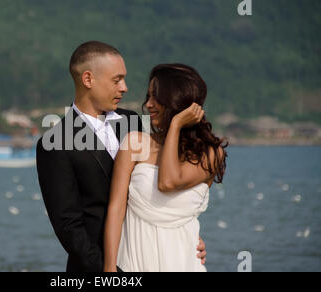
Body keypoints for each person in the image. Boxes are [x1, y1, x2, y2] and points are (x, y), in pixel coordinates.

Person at [36, 42, 207, 272]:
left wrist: (184, 236)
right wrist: (112, 271)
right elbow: (69, 226)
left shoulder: (136, 122)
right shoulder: (55, 143)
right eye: (117, 80)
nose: (125, 87)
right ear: (88, 79)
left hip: (153, 257)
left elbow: (163, 182)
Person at [104, 64, 228, 272]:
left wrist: (176, 125)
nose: (149, 104)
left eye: (157, 97)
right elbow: (116, 210)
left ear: (178, 100)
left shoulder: (211, 154)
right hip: (132, 265)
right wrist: (109, 270)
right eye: (148, 96)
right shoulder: (134, 143)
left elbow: (168, 182)